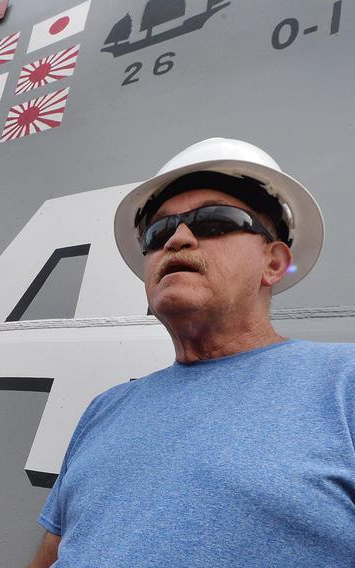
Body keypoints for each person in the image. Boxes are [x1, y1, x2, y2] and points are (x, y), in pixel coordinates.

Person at [28, 138, 354, 567]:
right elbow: (53, 555)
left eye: (214, 221)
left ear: (274, 263)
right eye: (158, 231)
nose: (178, 239)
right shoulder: (106, 409)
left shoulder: (343, 382)